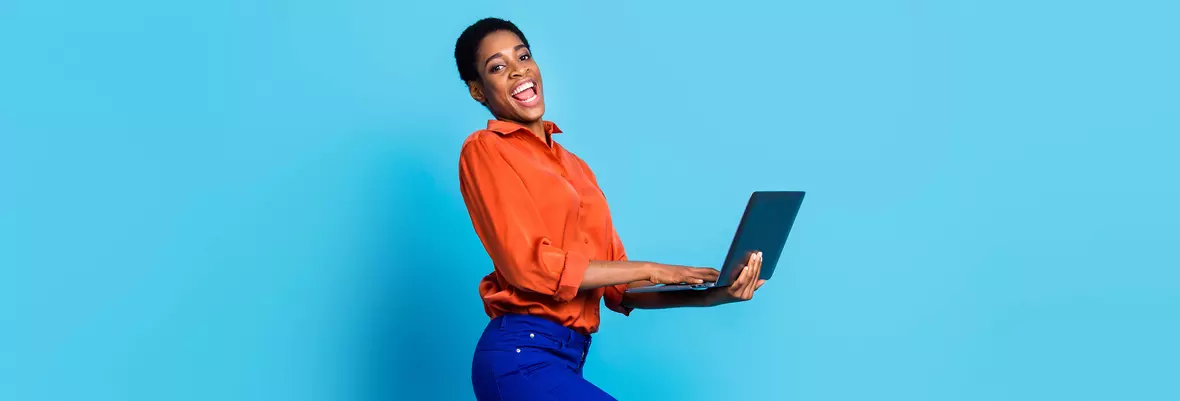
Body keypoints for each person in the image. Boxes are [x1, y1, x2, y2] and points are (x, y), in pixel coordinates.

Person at [455, 17, 767, 401]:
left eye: (523, 56)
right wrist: (653, 268)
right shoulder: (485, 149)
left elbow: (620, 289)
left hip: (566, 358)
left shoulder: (577, 169)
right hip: (520, 357)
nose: (519, 70)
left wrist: (715, 293)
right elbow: (529, 268)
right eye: (497, 67)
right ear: (477, 90)